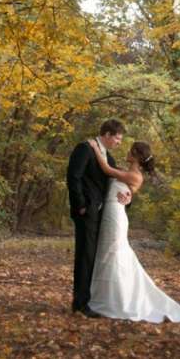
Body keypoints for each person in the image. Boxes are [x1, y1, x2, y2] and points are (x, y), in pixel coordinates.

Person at [86, 138, 180, 324]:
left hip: (116, 216)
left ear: (137, 157)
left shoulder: (136, 176)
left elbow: (107, 170)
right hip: (109, 213)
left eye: (131, 151)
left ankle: (118, 300)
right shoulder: (127, 173)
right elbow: (120, 186)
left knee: (113, 253)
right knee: (106, 253)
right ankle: (104, 297)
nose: (127, 152)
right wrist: (128, 196)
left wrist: (94, 148)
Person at [66, 119, 131, 316]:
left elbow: (116, 181)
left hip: (102, 215)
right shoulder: (84, 148)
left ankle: (91, 300)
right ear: (108, 134)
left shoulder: (108, 158)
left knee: (94, 257)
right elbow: (73, 177)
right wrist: (81, 206)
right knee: (85, 256)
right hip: (87, 212)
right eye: (118, 138)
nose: (119, 142)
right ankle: (80, 304)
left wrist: (128, 196)